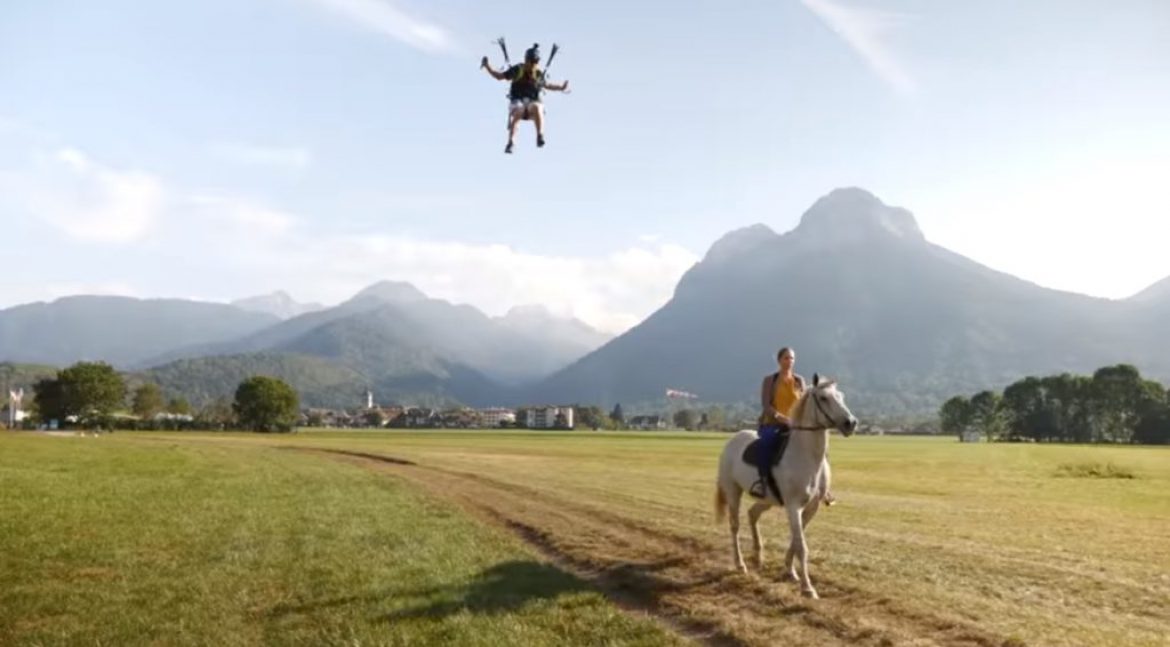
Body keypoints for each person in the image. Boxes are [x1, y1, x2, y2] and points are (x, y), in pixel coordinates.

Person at [751, 347, 837, 505]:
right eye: (786, 358)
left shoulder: (799, 381)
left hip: (796, 427)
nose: (789, 361)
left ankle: (825, 489)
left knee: (821, 448)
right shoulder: (770, 380)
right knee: (766, 444)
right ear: (779, 360)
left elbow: (805, 404)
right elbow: (766, 406)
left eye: (792, 358)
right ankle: (761, 483)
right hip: (773, 424)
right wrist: (783, 419)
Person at [481, 44, 569, 153]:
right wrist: (487, 66)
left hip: (532, 105)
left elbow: (548, 86)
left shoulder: (538, 74)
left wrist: (561, 88)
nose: (533, 64)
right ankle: (511, 143)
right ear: (526, 60)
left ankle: (540, 136)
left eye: (535, 62)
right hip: (517, 102)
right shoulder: (518, 70)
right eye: (531, 61)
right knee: (519, 110)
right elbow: (499, 77)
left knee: (537, 106)